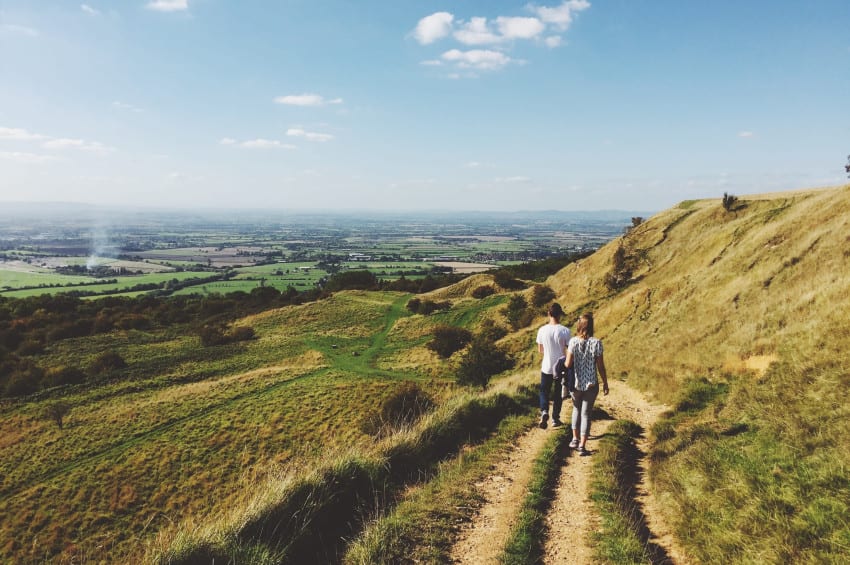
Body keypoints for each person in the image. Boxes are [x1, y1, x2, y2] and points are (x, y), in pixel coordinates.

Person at [565, 312, 608, 455]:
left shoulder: (573, 342)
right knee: (586, 414)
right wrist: (605, 383)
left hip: (576, 383)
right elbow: (600, 366)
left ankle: (574, 439)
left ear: (579, 326)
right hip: (591, 383)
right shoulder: (597, 343)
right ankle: (582, 446)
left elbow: (568, 364)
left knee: (576, 409)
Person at [535, 303, 571, 429]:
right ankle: (555, 419)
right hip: (560, 367)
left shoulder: (542, 330)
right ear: (560, 314)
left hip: (547, 366)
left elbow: (540, 350)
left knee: (544, 391)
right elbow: (569, 350)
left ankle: (544, 411)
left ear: (548, 314)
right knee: (557, 393)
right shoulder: (565, 331)